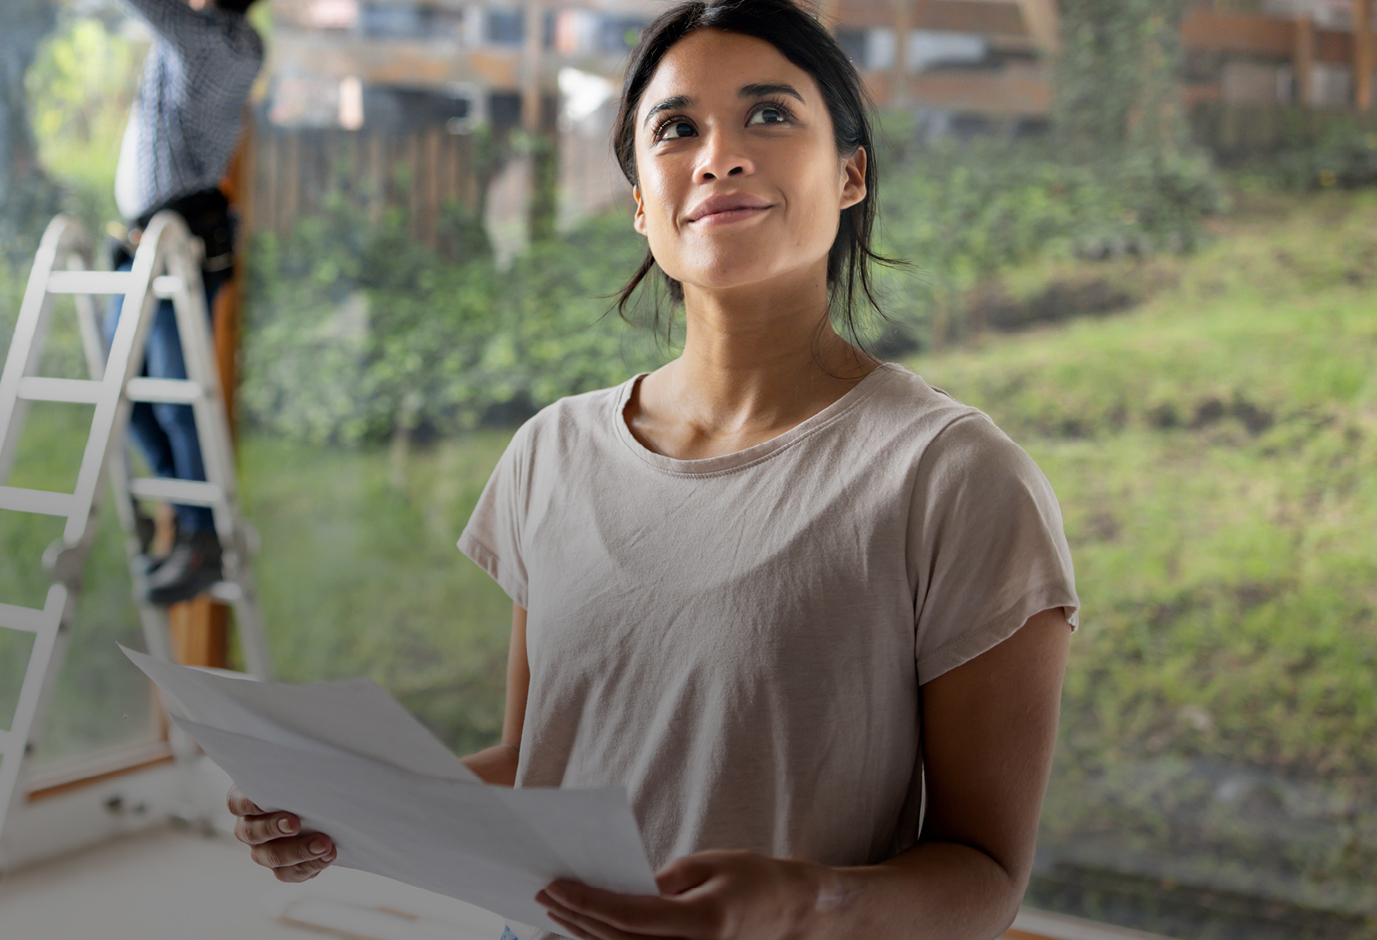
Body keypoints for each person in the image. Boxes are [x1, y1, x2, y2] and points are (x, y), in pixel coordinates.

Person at [228, 2, 1080, 938]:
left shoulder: (954, 477)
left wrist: (803, 904)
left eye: (769, 115)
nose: (719, 155)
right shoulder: (549, 453)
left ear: (850, 173)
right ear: (640, 202)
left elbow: (987, 876)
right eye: (676, 129)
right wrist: (345, 809)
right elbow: (540, 761)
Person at [103, 0, 263, 605]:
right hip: (147, 241)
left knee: (172, 400)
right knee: (127, 398)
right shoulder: (226, 39)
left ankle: (197, 536)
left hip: (176, 241)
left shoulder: (212, 40)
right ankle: (180, 516)